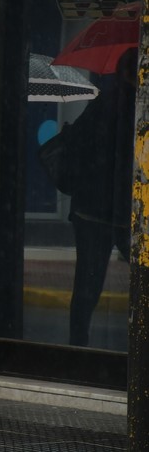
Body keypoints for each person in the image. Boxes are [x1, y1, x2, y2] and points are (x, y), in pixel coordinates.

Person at [66, 48, 137, 347]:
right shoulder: (131, 107)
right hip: (115, 211)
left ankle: (77, 346)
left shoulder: (101, 104)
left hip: (93, 211)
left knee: (87, 285)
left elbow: (80, 146)